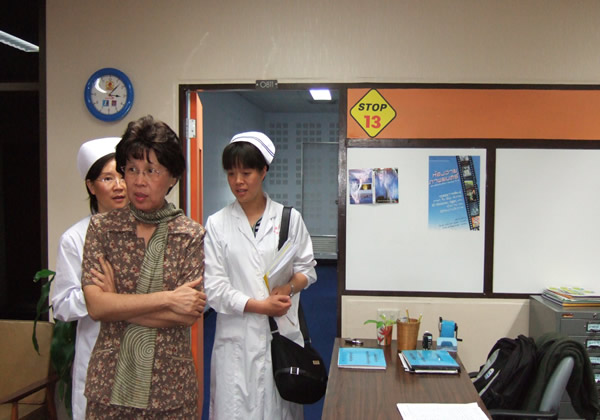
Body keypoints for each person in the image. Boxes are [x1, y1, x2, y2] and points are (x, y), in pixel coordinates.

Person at [81, 115, 206, 419]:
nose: (138, 181)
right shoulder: (102, 229)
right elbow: (96, 307)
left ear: (173, 177)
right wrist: (168, 299)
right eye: (132, 169)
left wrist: (117, 303)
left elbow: (186, 315)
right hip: (110, 386)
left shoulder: (189, 235)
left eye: (151, 170)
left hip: (170, 389)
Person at [204, 131, 317, 420]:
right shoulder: (217, 224)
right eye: (231, 174)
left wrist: (288, 288)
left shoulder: (289, 219)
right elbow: (214, 288)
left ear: (263, 171)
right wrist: (259, 306)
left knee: (278, 408)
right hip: (236, 337)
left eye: (246, 173)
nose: (238, 181)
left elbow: (307, 269)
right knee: (234, 407)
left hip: (280, 334)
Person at [51, 136, 128, 420]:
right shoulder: (75, 238)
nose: (119, 185)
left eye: (123, 175)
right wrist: (98, 295)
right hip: (97, 352)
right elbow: (61, 305)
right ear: (91, 186)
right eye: (108, 178)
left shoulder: (148, 231)